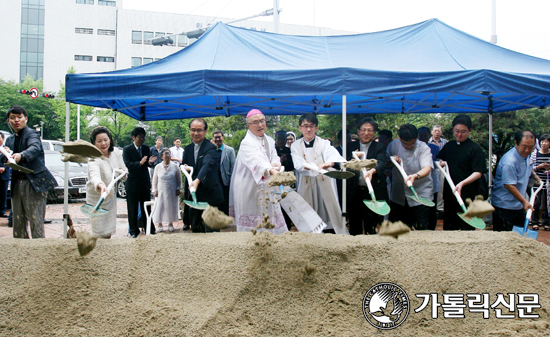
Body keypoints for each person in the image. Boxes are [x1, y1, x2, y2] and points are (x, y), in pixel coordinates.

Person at [0, 105, 57, 239]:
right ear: (8, 121)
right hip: (16, 183)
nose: (16, 120)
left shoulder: (32, 134)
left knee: (35, 221)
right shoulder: (10, 139)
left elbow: (35, 147)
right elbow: (5, 160)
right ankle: (21, 252)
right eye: (12, 118)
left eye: (19, 117)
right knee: (17, 222)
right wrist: (5, 154)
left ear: (26, 119)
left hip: (34, 184)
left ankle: (39, 252)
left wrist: (22, 155)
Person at [229, 109, 287, 234]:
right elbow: (257, 162)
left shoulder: (270, 140)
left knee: (270, 215)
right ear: (248, 126)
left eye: (262, 121)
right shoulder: (246, 143)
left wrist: (276, 164)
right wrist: (271, 170)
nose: (260, 125)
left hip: (267, 185)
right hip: (248, 188)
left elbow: (274, 157)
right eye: (255, 122)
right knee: (253, 223)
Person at [291, 113, 347, 234]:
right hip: (306, 182)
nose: (309, 129)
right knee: (308, 213)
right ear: (300, 128)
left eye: (312, 126)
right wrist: (307, 165)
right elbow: (298, 164)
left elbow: (331, 155)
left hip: (324, 180)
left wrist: (330, 163)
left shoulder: (324, 143)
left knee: (329, 210)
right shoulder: (295, 145)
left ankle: (331, 233)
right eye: (305, 126)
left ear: (316, 128)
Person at [437, 115, 487, 231]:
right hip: (450, 193)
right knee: (450, 226)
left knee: (467, 227)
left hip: (468, 194)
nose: (459, 135)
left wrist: (462, 184)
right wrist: (440, 162)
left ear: (470, 131)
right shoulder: (449, 146)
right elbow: (440, 160)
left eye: (463, 132)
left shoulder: (475, 149)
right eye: (456, 131)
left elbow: (478, 172)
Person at [346, 117, 389, 235]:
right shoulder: (350, 147)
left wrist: (372, 171)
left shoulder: (380, 147)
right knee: (355, 224)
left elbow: (382, 162)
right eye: (363, 130)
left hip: (373, 190)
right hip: (355, 191)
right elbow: (344, 164)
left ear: (374, 132)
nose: (366, 133)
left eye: (370, 130)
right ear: (358, 131)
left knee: (372, 224)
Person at [387, 124, 434, 230]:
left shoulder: (423, 148)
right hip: (399, 195)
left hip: (421, 193)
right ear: (399, 139)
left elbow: (427, 168)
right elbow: (386, 163)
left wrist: (415, 176)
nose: (409, 146)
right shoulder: (393, 145)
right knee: (398, 229)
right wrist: (392, 161)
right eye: (405, 144)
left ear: (417, 138)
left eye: (412, 144)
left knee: (420, 228)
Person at [182, 118, 224, 232]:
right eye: (193, 130)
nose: (196, 133)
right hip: (195, 198)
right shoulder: (188, 149)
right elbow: (185, 165)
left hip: (209, 196)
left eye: (199, 130)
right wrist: (184, 167)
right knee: (196, 231)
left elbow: (208, 165)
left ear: (205, 131)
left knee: (211, 232)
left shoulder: (210, 147)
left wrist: (197, 180)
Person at [86, 126, 127, 238]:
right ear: (94, 143)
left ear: (110, 139)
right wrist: (100, 185)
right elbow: (95, 176)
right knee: (99, 231)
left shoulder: (116, 152)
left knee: (108, 230)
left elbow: (123, 170)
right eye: (99, 141)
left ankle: (106, 251)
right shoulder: (93, 158)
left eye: (105, 140)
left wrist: (124, 174)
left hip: (110, 198)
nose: (103, 143)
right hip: (97, 199)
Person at [491, 131, 537, 231]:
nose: (527, 150)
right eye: (524, 146)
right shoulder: (510, 161)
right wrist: (525, 202)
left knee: (518, 237)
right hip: (504, 206)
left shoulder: (526, 155)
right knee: (503, 239)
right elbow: (509, 185)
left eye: (531, 147)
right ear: (516, 143)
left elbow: (527, 167)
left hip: (519, 205)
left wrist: (535, 176)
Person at [123, 127, 157, 238]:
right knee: (132, 208)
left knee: (146, 208)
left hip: (144, 183)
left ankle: (150, 229)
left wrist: (150, 163)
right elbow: (128, 164)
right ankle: (133, 231)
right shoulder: (127, 149)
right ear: (134, 137)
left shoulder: (146, 149)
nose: (142, 139)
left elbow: (147, 164)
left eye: (143, 137)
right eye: (140, 137)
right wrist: (140, 163)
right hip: (132, 184)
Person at [152, 148, 181, 232]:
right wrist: (155, 190)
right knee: (160, 206)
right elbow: (154, 180)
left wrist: (178, 188)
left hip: (171, 190)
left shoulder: (175, 166)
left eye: (169, 154)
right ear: (161, 156)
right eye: (166, 154)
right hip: (160, 190)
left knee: (171, 206)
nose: (168, 155)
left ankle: (170, 224)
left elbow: (179, 179)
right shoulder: (158, 167)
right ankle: (160, 224)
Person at [418, 126, 440, 230]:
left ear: (429, 136)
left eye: (425, 136)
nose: (422, 138)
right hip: (418, 182)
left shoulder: (435, 148)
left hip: (432, 181)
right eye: (420, 135)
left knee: (432, 207)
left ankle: (432, 228)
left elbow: (439, 162)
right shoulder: (415, 147)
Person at [213, 130, 235, 216]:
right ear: (213, 139)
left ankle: (225, 217)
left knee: (225, 198)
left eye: (219, 137)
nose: (218, 139)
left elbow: (233, 166)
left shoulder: (230, 150)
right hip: (215, 179)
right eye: (216, 137)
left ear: (223, 138)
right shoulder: (212, 150)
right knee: (216, 199)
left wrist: (231, 179)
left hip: (225, 179)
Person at [531, 134, 550, 230]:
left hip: (548, 182)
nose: (544, 143)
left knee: (548, 202)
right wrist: (540, 166)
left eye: (546, 141)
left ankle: (546, 222)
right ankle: (535, 222)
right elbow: (531, 168)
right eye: (542, 141)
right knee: (536, 202)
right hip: (537, 182)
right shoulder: (535, 154)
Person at [429, 125, 447, 215]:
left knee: (441, 187)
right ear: (432, 132)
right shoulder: (427, 142)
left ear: (441, 132)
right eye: (435, 131)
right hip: (431, 168)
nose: (437, 132)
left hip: (442, 168)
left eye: (439, 131)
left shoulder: (445, 143)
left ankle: (440, 206)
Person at [0, 133, 10, 218]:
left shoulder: (6, 149)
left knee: (3, 194)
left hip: (4, 175)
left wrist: (4, 168)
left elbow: (10, 160)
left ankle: (2, 211)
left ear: (3, 139)